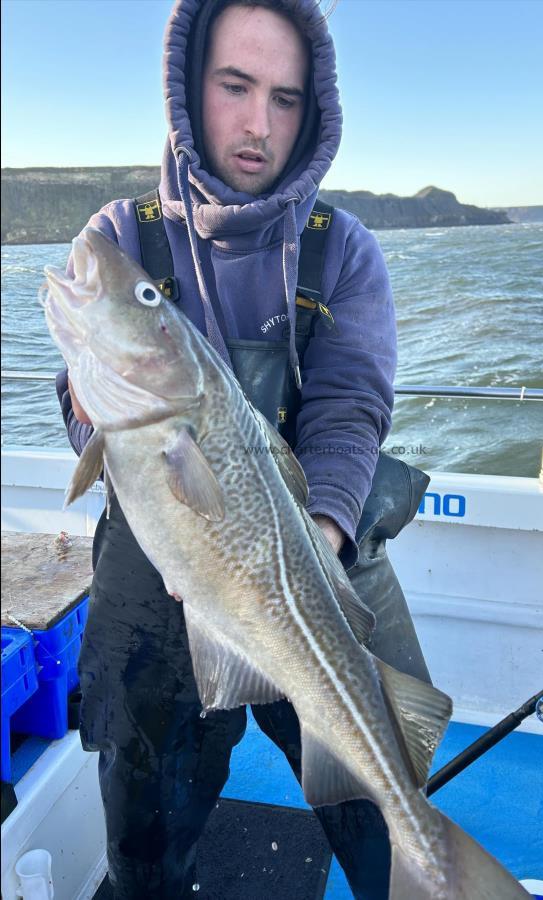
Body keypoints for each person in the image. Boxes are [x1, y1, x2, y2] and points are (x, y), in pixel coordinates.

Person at [56, 1, 432, 897]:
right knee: (146, 840)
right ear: (189, 90)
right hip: (160, 575)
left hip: (314, 556)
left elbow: (347, 411)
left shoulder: (340, 250)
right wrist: (92, 393)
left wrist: (307, 555)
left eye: (286, 97)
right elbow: (90, 428)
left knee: (387, 812)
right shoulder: (122, 236)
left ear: (314, 111)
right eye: (234, 86)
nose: (259, 123)